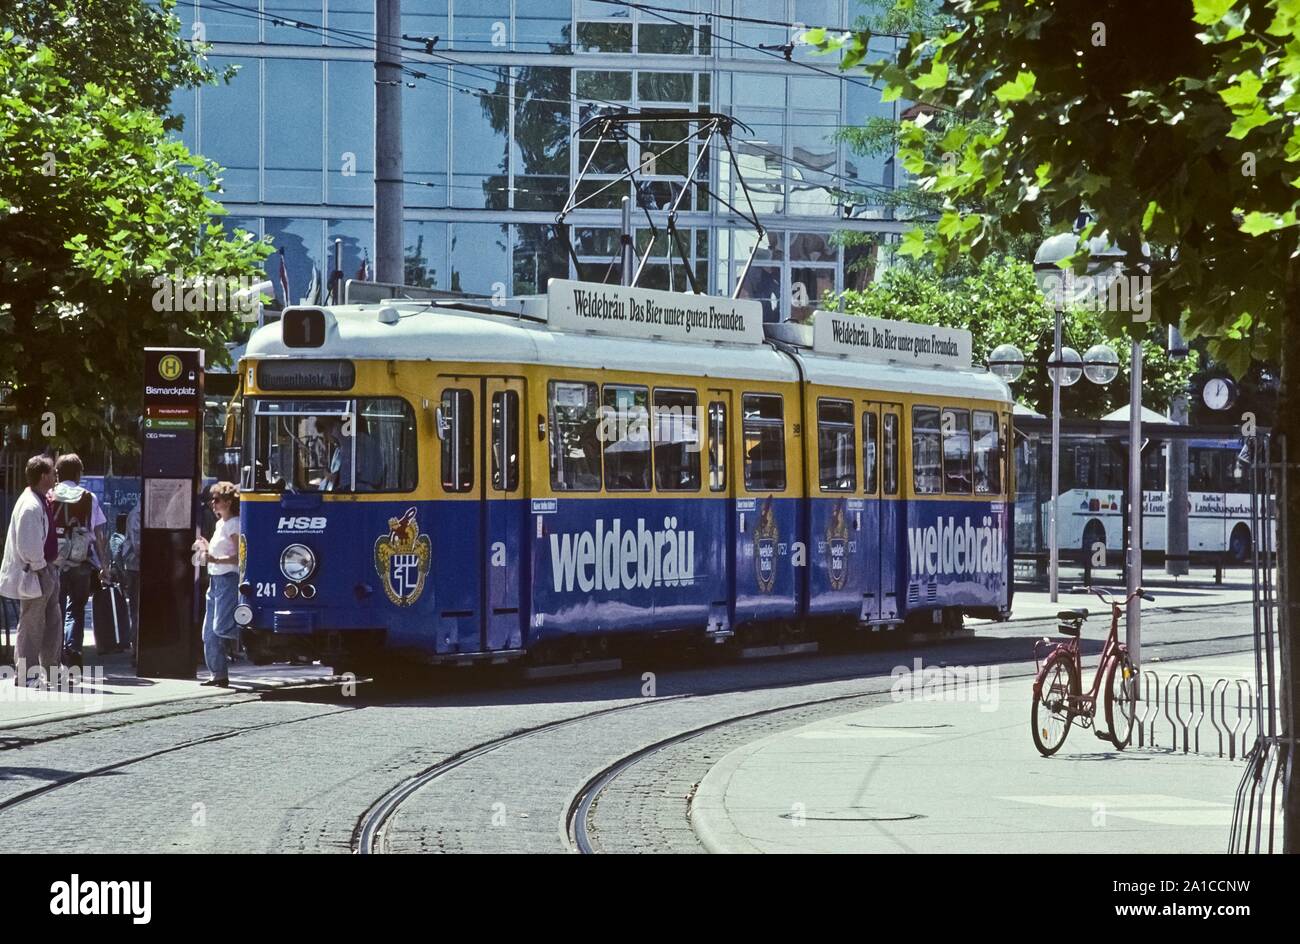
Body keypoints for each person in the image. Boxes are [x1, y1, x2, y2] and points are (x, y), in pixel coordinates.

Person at [0, 456, 60, 687]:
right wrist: (41, 568)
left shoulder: (39, 500)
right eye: (53, 473)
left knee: (52, 620)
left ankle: (50, 670)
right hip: (36, 572)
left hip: (45, 569)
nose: (56, 477)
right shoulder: (30, 505)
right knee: (32, 623)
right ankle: (26, 673)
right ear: (43, 475)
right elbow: (29, 545)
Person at [48, 454, 111, 663]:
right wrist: (103, 565)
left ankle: (54, 655)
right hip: (81, 561)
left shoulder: (50, 495)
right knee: (76, 608)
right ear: (77, 474)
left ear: (58, 473)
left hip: (54, 562)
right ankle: (73, 650)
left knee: (54, 608)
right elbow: (99, 535)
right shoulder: (88, 497)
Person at [195, 482, 240, 687]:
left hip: (227, 579)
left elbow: (240, 557)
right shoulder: (220, 523)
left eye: (217, 500)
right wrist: (205, 547)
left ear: (228, 502)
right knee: (209, 633)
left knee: (221, 627)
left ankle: (249, 636)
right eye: (212, 500)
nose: (213, 503)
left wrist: (214, 560)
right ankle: (218, 675)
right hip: (215, 580)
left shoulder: (234, 524)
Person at [119, 499, 142, 649]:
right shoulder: (137, 514)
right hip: (136, 567)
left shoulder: (140, 513)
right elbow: (138, 544)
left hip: (138, 566)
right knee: (137, 609)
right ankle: (137, 648)